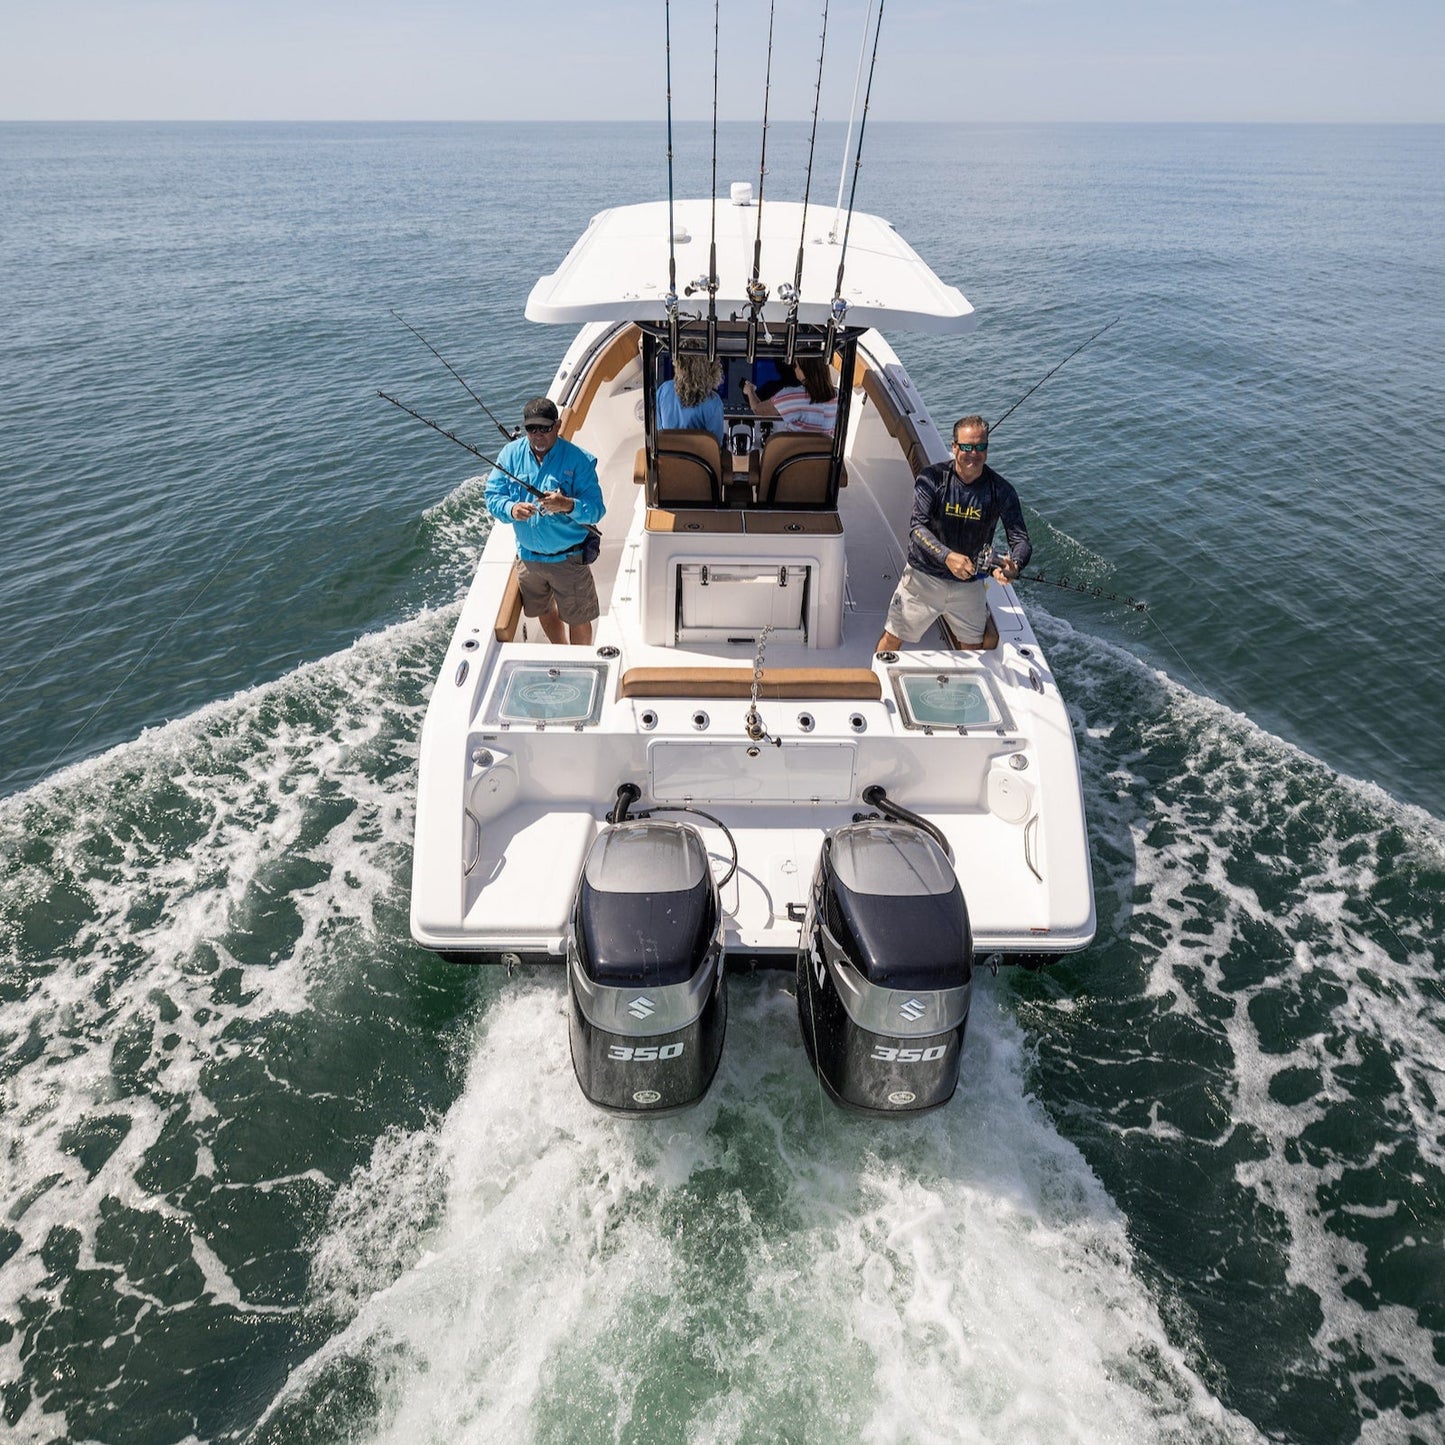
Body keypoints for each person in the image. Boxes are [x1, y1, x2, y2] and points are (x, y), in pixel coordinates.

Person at [876, 415, 1032, 652]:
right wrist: (948, 556)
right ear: (954, 447)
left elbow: (1020, 539)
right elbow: (918, 528)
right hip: (923, 578)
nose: (974, 453)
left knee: (972, 647)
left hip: (969, 585)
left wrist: (1015, 564)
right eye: (967, 447)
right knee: (892, 638)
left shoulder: (1001, 489)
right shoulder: (932, 479)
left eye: (980, 446)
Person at [484, 396, 606, 646]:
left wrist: (567, 504)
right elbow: (493, 496)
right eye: (531, 429)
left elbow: (596, 510)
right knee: (543, 610)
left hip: (568, 559)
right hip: (529, 559)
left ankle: (579, 660)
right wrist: (512, 508)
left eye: (545, 428)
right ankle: (560, 650)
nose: (538, 435)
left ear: (558, 425)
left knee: (578, 617)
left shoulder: (578, 460)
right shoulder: (510, 454)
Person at [743, 356, 837, 435]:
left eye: (796, 366)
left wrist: (750, 391)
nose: (794, 369)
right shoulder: (837, 395)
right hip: (823, 454)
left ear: (805, 369)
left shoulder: (794, 396)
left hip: (795, 454)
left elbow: (758, 410)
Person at [656, 352, 727, 449]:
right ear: (710, 367)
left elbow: (658, 434)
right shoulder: (713, 402)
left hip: (668, 461)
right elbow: (715, 445)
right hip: (700, 463)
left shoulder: (663, 390)